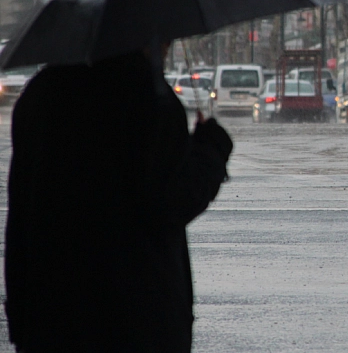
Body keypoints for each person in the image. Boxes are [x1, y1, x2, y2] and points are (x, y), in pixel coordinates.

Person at [4, 42, 234, 352]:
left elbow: (20, 216)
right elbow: (171, 202)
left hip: (50, 313)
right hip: (135, 318)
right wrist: (211, 149)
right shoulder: (147, 98)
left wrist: (22, 318)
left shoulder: (41, 95)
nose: (167, 44)